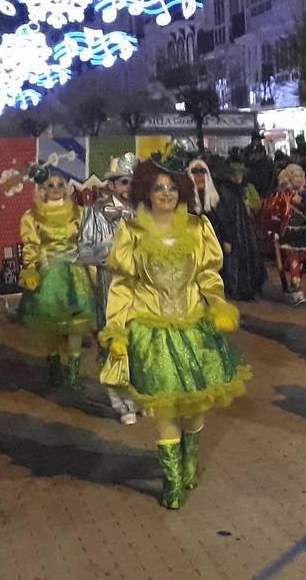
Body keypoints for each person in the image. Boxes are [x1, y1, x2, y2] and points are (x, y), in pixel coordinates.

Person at [99, 155, 251, 510]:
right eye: (158, 188)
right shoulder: (131, 233)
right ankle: (172, 481)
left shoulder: (198, 228)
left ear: (181, 190)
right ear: (146, 193)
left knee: (195, 410)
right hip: (152, 333)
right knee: (164, 411)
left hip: (195, 331)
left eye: (171, 187)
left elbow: (208, 276)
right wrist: (117, 328)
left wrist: (217, 304)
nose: (166, 194)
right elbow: (123, 285)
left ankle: (190, 462)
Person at [17, 165, 96, 389]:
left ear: (66, 187)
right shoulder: (32, 216)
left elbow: (86, 241)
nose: (55, 189)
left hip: (75, 274)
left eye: (60, 185)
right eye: (50, 185)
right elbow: (31, 245)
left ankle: (73, 374)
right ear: (43, 188)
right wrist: (31, 269)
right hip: (49, 275)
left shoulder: (78, 212)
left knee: (76, 325)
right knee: (50, 323)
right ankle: (54, 366)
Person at [78, 152, 140, 425]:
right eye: (124, 182)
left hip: (141, 291)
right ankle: (121, 401)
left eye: (133, 183)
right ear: (112, 186)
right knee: (116, 343)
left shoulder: (143, 212)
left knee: (140, 342)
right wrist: (113, 253)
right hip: (112, 288)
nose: (128, 188)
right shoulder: (95, 213)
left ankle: (138, 395)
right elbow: (83, 252)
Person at [201, 159, 266, 303]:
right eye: (235, 175)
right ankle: (237, 290)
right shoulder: (225, 191)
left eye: (240, 174)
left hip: (245, 233)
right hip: (233, 232)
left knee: (247, 261)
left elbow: (256, 206)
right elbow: (224, 215)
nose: (238, 177)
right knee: (233, 264)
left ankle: (248, 289)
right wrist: (227, 238)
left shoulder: (243, 189)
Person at [267, 163, 306, 305]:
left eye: (299, 176)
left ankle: (295, 285)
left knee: (301, 262)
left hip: (303, 232)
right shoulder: (283, 195)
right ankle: (296, 289)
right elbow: (276, 213)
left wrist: (304, 204)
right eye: (294, 176)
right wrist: (274, 230)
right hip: (288, 232)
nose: (297, 179)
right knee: (293, 260)